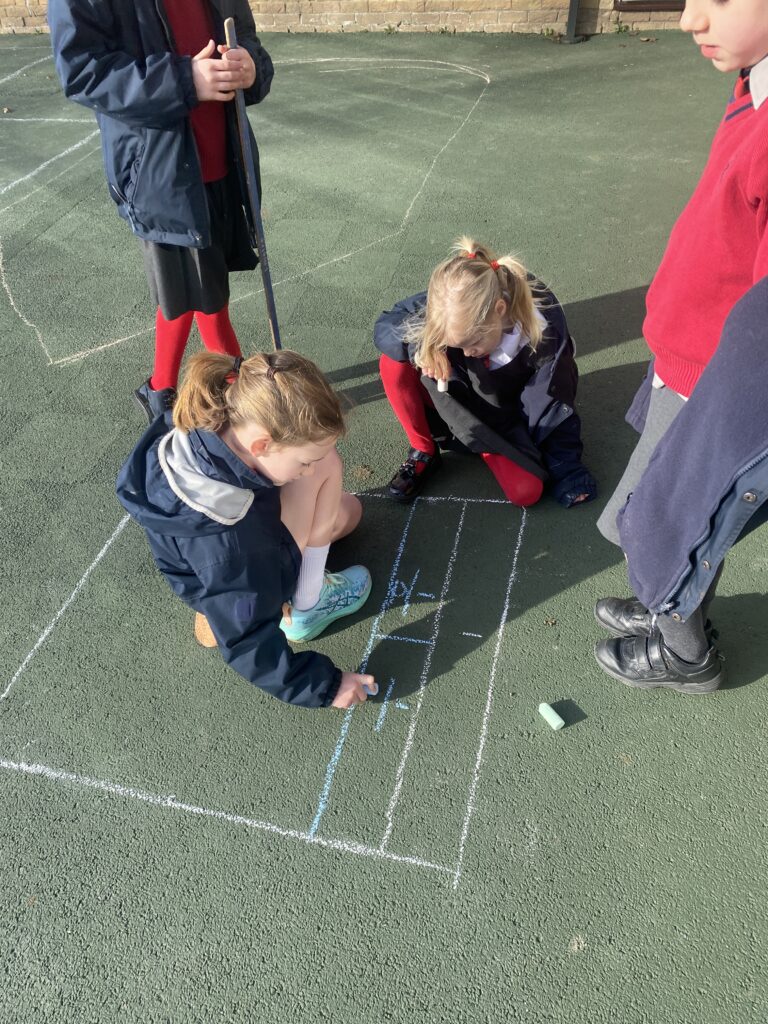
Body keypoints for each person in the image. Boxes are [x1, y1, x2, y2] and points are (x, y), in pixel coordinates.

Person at [593, 0, 768, 693]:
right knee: (663, 513)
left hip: (713, 378)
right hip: (688, 356)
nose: (691, 19)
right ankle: (666, 605)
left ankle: (685, 653)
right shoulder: (752, 87)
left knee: (672, 518)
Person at [48, 0, 274, 420]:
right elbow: (81, 71)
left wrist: (252, 68)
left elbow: (245, 37)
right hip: (159, 173)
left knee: (193, 285)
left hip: (224, 159)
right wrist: (185, 79)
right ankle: (233, 387)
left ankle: (160, 387)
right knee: (206, 292)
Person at [116, 350, 377, 709]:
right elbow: (247, 643)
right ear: (262, 445)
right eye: (302, 461)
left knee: (347, 511)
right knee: (329, 470)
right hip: (236, 566)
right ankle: (306, 604)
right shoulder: (230, 547)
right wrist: (327, 686)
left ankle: (217, 607)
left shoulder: (214, 415)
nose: (305, 469)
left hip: (207, 566)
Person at [373, 238, 597, 508]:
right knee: (393, 359)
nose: (467, 353)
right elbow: (388, 323)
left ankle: (484, 445)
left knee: (527, 492)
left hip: (500, 423)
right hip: (459, 405)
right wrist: (423, 348)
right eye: (459, 345)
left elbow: (553, 406)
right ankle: (423, 449)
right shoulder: (453, 303)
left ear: (499, 310)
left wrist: (568, 471)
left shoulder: (542, 339)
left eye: (473, 343)